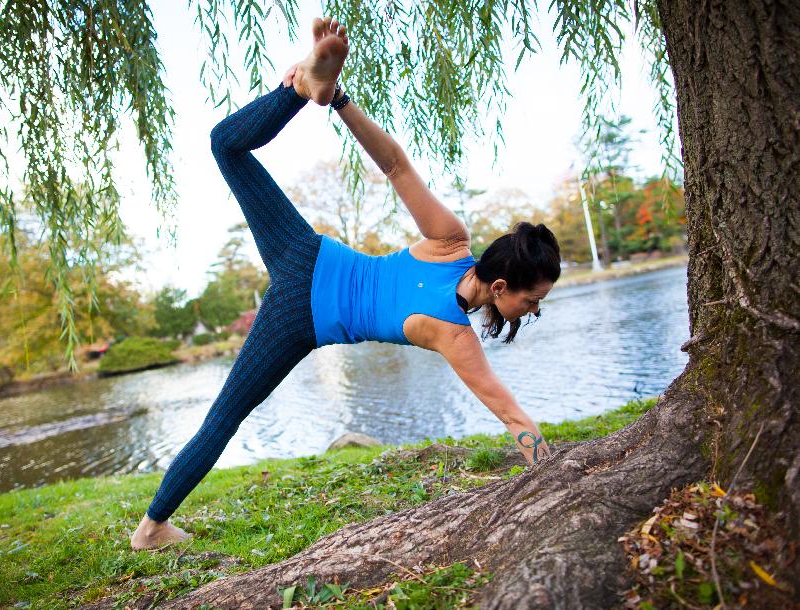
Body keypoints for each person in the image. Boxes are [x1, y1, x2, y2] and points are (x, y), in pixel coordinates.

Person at [130, 17, 561, 551]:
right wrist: (550, 472)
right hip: (300, 314)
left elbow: (396, 167)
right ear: (500, 287)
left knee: (226, 146)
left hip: (305, 254)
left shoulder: (451, 241)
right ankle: (150, 530)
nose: (535, 310)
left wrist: (339, 102)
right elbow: (509, 411)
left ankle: (300, 92)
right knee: (225, 416)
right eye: (533, 298)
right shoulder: (455, 335)